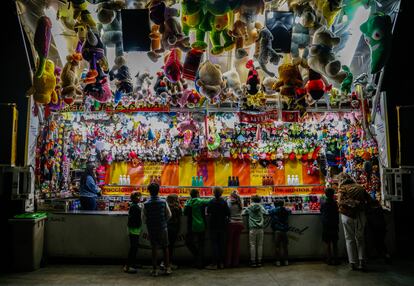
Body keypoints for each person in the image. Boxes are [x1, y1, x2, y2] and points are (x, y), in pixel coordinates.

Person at [337, 173, 371, 271]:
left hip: (347, 215)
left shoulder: (342, 188)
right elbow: (369, 200)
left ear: (341, 180)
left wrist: (351, 203)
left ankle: (352, 263)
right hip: (360, 215)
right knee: (360, 238)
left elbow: (339, 201)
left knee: (349, 238)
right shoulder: (360, 187)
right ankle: (362, 262)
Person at [142, 183, 172, 276]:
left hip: (152, 228)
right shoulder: (163, 202)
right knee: (165, 247)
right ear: (158, 190)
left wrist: (150, 223)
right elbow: (169, 215)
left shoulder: (145, 204)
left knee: (154, 248)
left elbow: (143, 219)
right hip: (163, 227)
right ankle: (167, 268)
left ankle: (155, 270)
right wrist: (163, 222)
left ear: (149, 191)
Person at [184, 189, 210, 269]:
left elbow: (184, 213)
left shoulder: (188, 203)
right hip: (201, 225)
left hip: (192, 226)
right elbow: (211, 202)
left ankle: (197, 257)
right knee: (201, 245)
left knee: (188, 242)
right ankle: (200, 263)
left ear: (190, 195)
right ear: (198, 194)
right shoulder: (201, 201)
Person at [206, 187, 230, 270]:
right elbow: (228, 213)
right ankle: (222, 263)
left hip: (213, 225)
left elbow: (208, 212)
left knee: (214, 245)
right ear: (221, 193)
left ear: (213, 193)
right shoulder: (224, 202)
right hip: (222, 225)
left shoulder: (211, 202)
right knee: (222, 245)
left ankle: (215, 264)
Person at [243, 195, 267, 267]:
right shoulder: (261, 207)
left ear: (252, 200)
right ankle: (259, 261)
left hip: (252, 228)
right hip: (260, 228)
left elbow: (244, 213)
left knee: (252, 245)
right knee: (260, 245)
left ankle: (253, 261)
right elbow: (265, 212)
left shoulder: (249, 207)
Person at [366, 199, 391, 264]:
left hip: (374, 229)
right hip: (382, 229)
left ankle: (372, 256)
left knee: (373, 242)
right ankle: (386, 256)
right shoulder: (381, 210)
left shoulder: (370, 211)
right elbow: (388, 215)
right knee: (381, 243)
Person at [124, 191, 142, 274]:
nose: (140, 198)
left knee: (135, 248)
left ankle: (133, 264)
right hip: (133, 230)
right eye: (139, 197)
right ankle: (127, 266)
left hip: (134, 229)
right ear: (136, 198)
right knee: (133, 248)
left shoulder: (134, 206)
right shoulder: (135, 207)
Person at [320, 188, 339, 265]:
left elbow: (321, 211)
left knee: (328, 243)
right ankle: (336, 259)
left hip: (326, 225)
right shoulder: (335, 203)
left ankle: (329, 259)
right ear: (333, 194)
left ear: (325, 194)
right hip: (334, 224)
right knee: (335, 243)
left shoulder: (324, 203)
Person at [225, 190, 244, 268]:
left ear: (231, 196)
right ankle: (236, 262)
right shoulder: (240, 201)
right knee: (236, 244)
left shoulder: (228, 201)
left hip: (231, 224)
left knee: (229, 244)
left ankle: (228, 262)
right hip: (239, 224)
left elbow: (227, 211)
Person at [269, 199, 290, 266]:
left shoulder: (273, 210)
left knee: (277, 246)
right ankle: (286, 261)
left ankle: (278, 261)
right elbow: (290, 211)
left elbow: (269, 212)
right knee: (285, 246)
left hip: (277, 230)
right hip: (285, 230)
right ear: (283, 204)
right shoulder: (286, 210)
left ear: (275, 204)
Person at [163, 194, 182, 270]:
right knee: (170, 247)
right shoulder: (178, 208)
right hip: (174, 229)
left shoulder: (165, 207)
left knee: (166, 246)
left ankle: (165, 262)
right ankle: (168, 263)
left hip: (166, 227)